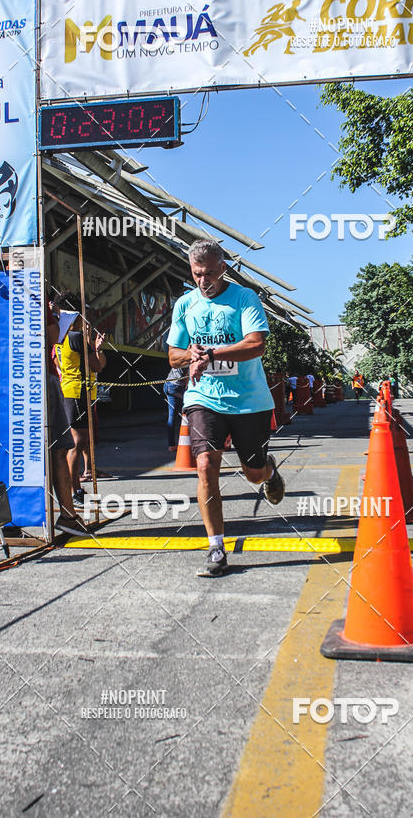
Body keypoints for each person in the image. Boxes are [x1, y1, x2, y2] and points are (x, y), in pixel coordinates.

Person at [167, 240, 285, 577]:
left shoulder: (244, 298)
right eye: (196, 274)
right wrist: (191, 356)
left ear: (223, 268)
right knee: (204, 463)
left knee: (253, 473)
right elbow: (173, 353)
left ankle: (269, 471)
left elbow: (256, 344)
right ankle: (216, 547)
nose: (202, 281)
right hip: (204, 397)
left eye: (208, 273)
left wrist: (213, 354)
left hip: (249, 401)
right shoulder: (185, 304)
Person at [46, 301, 89, 536]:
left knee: (73, 443)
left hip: (62, 386)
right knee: (63, 447)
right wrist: (51, 315)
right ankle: (68, 513)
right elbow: (52, 335)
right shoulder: (32, 292)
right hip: (63, 386)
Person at [58, 311, 106, 506]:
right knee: (77, 443)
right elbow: (97, 366)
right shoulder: (76, 337)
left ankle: (74, 487)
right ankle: (74, 489)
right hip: (77, 392)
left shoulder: (60, 340)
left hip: (70, 391)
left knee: (81, 441)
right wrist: (95, 350)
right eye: (82, 317)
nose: (85, 322)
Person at [163, 365, 188, 451]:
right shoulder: (189, 358)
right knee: (194, 407)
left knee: (172, 417)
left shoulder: (178, 356)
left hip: (169, 385)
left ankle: (171, 445)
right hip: (177, 387)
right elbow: (185, 377)